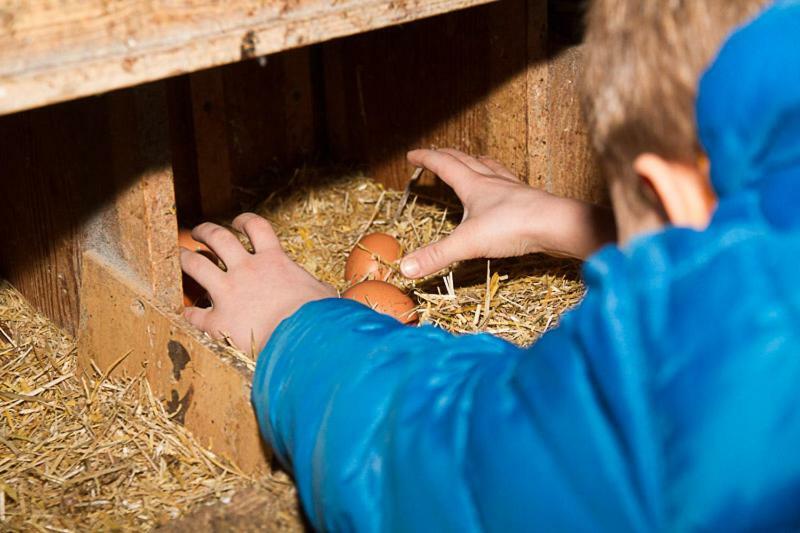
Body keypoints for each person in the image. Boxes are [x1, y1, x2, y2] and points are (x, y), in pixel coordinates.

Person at [179, 0, 800, 529]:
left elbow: (442, 466)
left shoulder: (676, 385)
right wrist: (567, 221)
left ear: (671, 194)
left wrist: (299, 323)